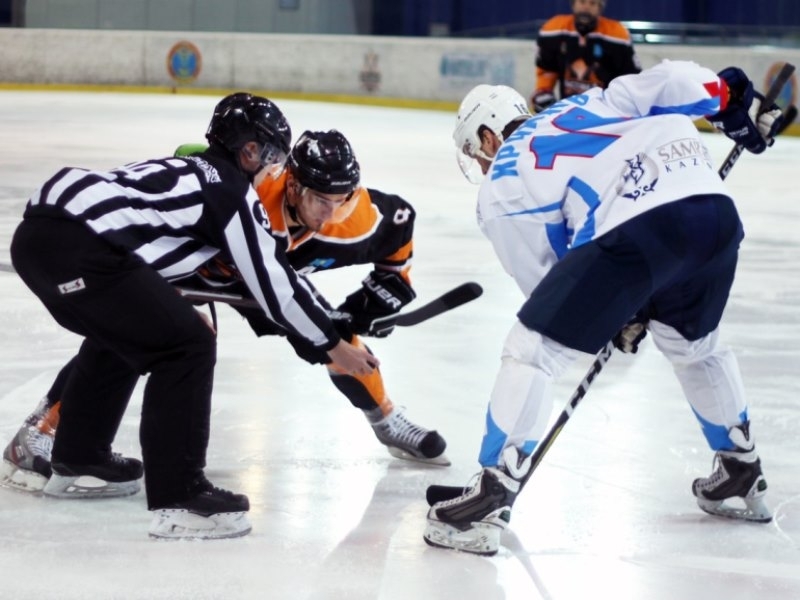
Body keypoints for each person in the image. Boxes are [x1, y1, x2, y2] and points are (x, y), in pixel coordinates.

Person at [424, 60, 784, 555]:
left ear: (488, 136)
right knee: (695, 346)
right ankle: (741, 469)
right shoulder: (590, 100)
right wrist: (729, 103)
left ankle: (490, 496)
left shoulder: (503, 176)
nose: (482, 164)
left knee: (533, 351)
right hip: (715, 214)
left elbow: (549, 288)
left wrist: (616, 314)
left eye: (475, 152)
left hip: (637, 231)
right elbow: (673, 79)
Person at [8, 93, 380, 540]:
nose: (273, 170)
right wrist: (332, 344)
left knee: (132, 332)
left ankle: (81, 459)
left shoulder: (191, 169)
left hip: (40, 236)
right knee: (189, 345)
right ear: (250, 151)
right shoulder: (231, 190)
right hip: (80, 248)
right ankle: (180, 495)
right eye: (273, 158)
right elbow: (273, 284)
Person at [531, 0, 640, 113]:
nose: (586, 7)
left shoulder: (617, 34)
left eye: (592, 3)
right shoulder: (553, 29)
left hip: (606, 111)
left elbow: (631, 78)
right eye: (582, 2)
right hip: (567, 110)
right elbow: (547, 69)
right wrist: (543, 91)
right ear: (573, 4)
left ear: (600, 8)